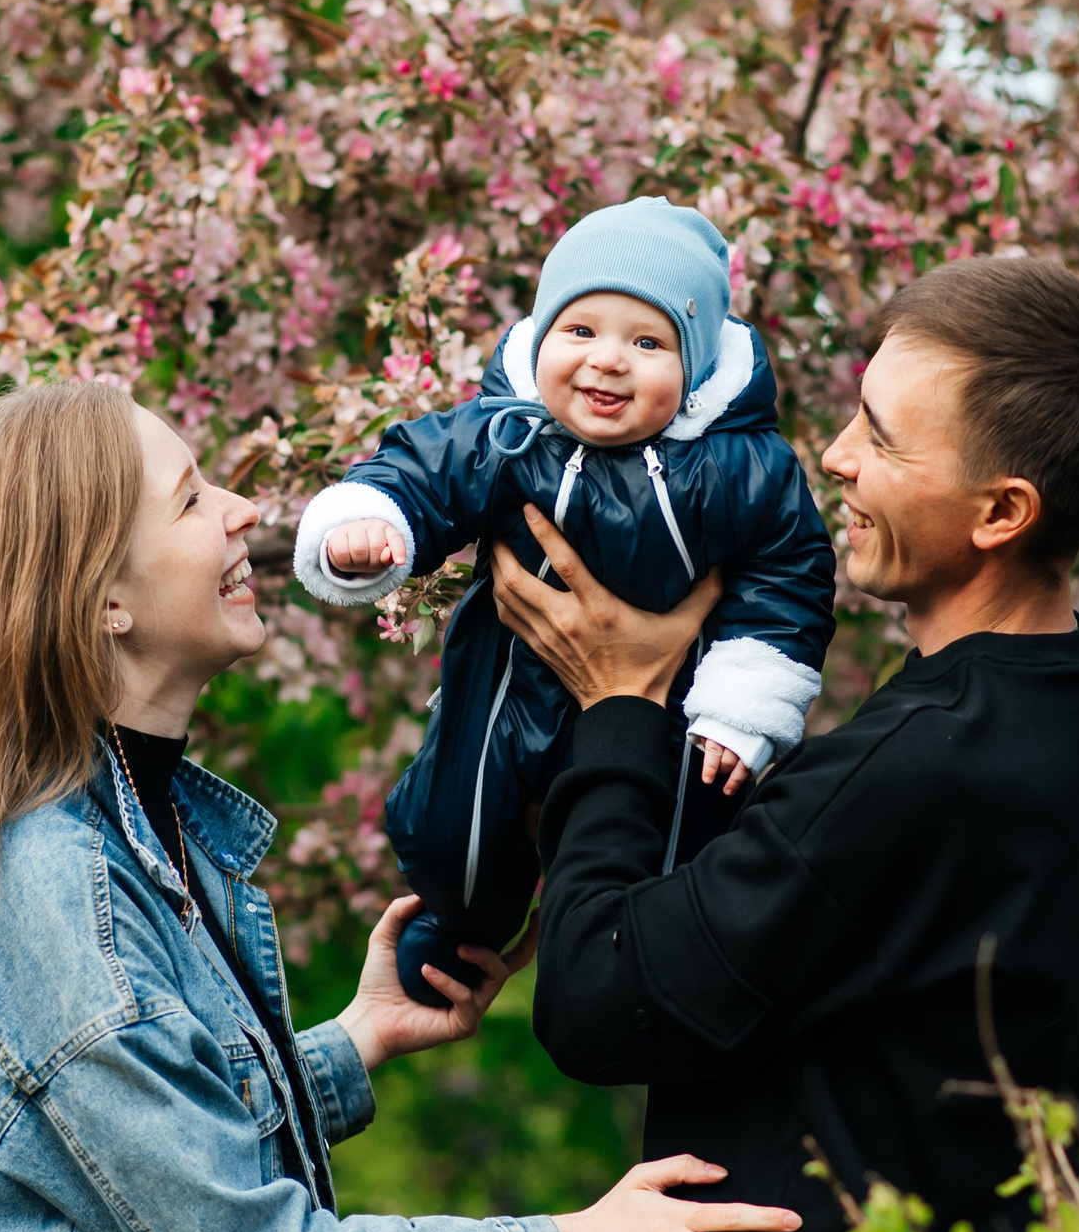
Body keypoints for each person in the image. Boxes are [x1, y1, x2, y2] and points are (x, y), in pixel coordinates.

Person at [0, 382, 809, 1232]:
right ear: (103, 598)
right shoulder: (55, 877)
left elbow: (131, 1144)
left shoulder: (136, 830)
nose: (247, 509)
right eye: (194, 500)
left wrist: (354, 1042)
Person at [489, 258, 1079, 1232]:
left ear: (1000, 511)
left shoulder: (914, 767)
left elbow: (598, 998)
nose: (837, 457)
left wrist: (621, 707)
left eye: (883, 438)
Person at [293, 197, 836, 1007]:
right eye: (580, 331)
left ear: (693, 367)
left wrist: (744, 709)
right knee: (454, 840)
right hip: (510, 690)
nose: (607, 360)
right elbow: (420, 469)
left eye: (647, 342)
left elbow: (790, 571)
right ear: (541, 336)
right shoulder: (508, 432)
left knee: (675, 849)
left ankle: (644, 974)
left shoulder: (737, 467)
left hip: (665, 707)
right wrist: (369, 523)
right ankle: (462, 922)